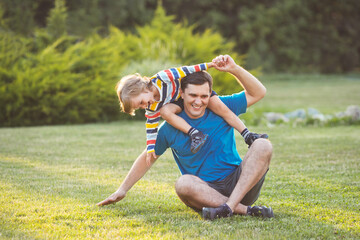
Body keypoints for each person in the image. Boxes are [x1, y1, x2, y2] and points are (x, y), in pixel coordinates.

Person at [98, 55, 274, 220]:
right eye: (193, 95)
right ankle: (242, 210)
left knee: (263, 145)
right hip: (205, 193)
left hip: (240, 184)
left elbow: (258, 92)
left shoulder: (221, 107)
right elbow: (148, 158)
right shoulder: (169, 128)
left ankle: (229, 206)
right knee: (183, 184)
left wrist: (234, 69)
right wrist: (122, 190)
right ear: (181, 93)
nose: (199, 101)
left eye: (204, 96)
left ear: (211, 94)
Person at [115, 62, 268, 166]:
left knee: (222, 109)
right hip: (181, 99)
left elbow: (187, 70)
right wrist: (150, 150)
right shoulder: (152, 107)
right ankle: (195, 134)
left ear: (142, 88)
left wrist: (209, 65)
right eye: (140, 107)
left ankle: (247, 134)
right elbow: (151, 128)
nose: (144, 106)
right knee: (166, 112)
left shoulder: (162, 77)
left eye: (141, 102)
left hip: (192, 92)